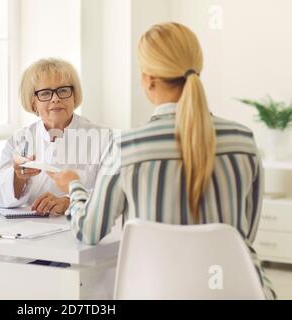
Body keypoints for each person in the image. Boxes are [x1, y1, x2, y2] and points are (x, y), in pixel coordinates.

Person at [48, 22, 276, 299]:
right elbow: (244, 237)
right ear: (197, 71)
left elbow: (89, 231)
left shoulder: (126, 146)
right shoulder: (243, 140)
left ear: (148, 79)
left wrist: (74, 185)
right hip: (238, 291)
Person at [0, 58, 112, 215]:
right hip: (29, 230)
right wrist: (18, 177)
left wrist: (68, 201)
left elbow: (114, 194)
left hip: (80, 229)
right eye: (45, 93)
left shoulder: (105, 138)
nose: (55, 98)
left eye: (63, 90)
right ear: (33, 103)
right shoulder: (20, 139)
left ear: (74, 96)